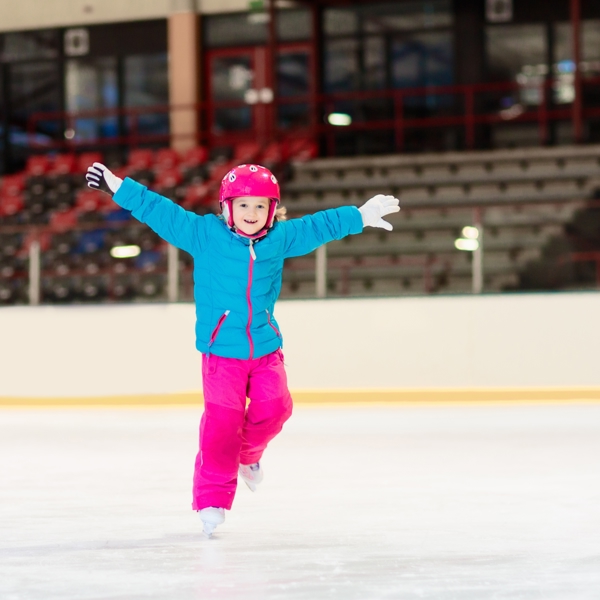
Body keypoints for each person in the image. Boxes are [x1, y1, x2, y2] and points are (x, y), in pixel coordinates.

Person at [86, 161, 399, 537]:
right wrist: (119, 188)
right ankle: (211, 500)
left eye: (261, 206)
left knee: (276, 408)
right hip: (221, 354)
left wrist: (359, 216)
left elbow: (319, 226)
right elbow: (160, 211)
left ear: (273, 209)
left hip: (265, 347)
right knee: (221, 428)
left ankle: (248, 457)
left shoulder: (279, 238)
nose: (252, 214)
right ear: (227, 207)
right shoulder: (203, 234)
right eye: (244, 205)